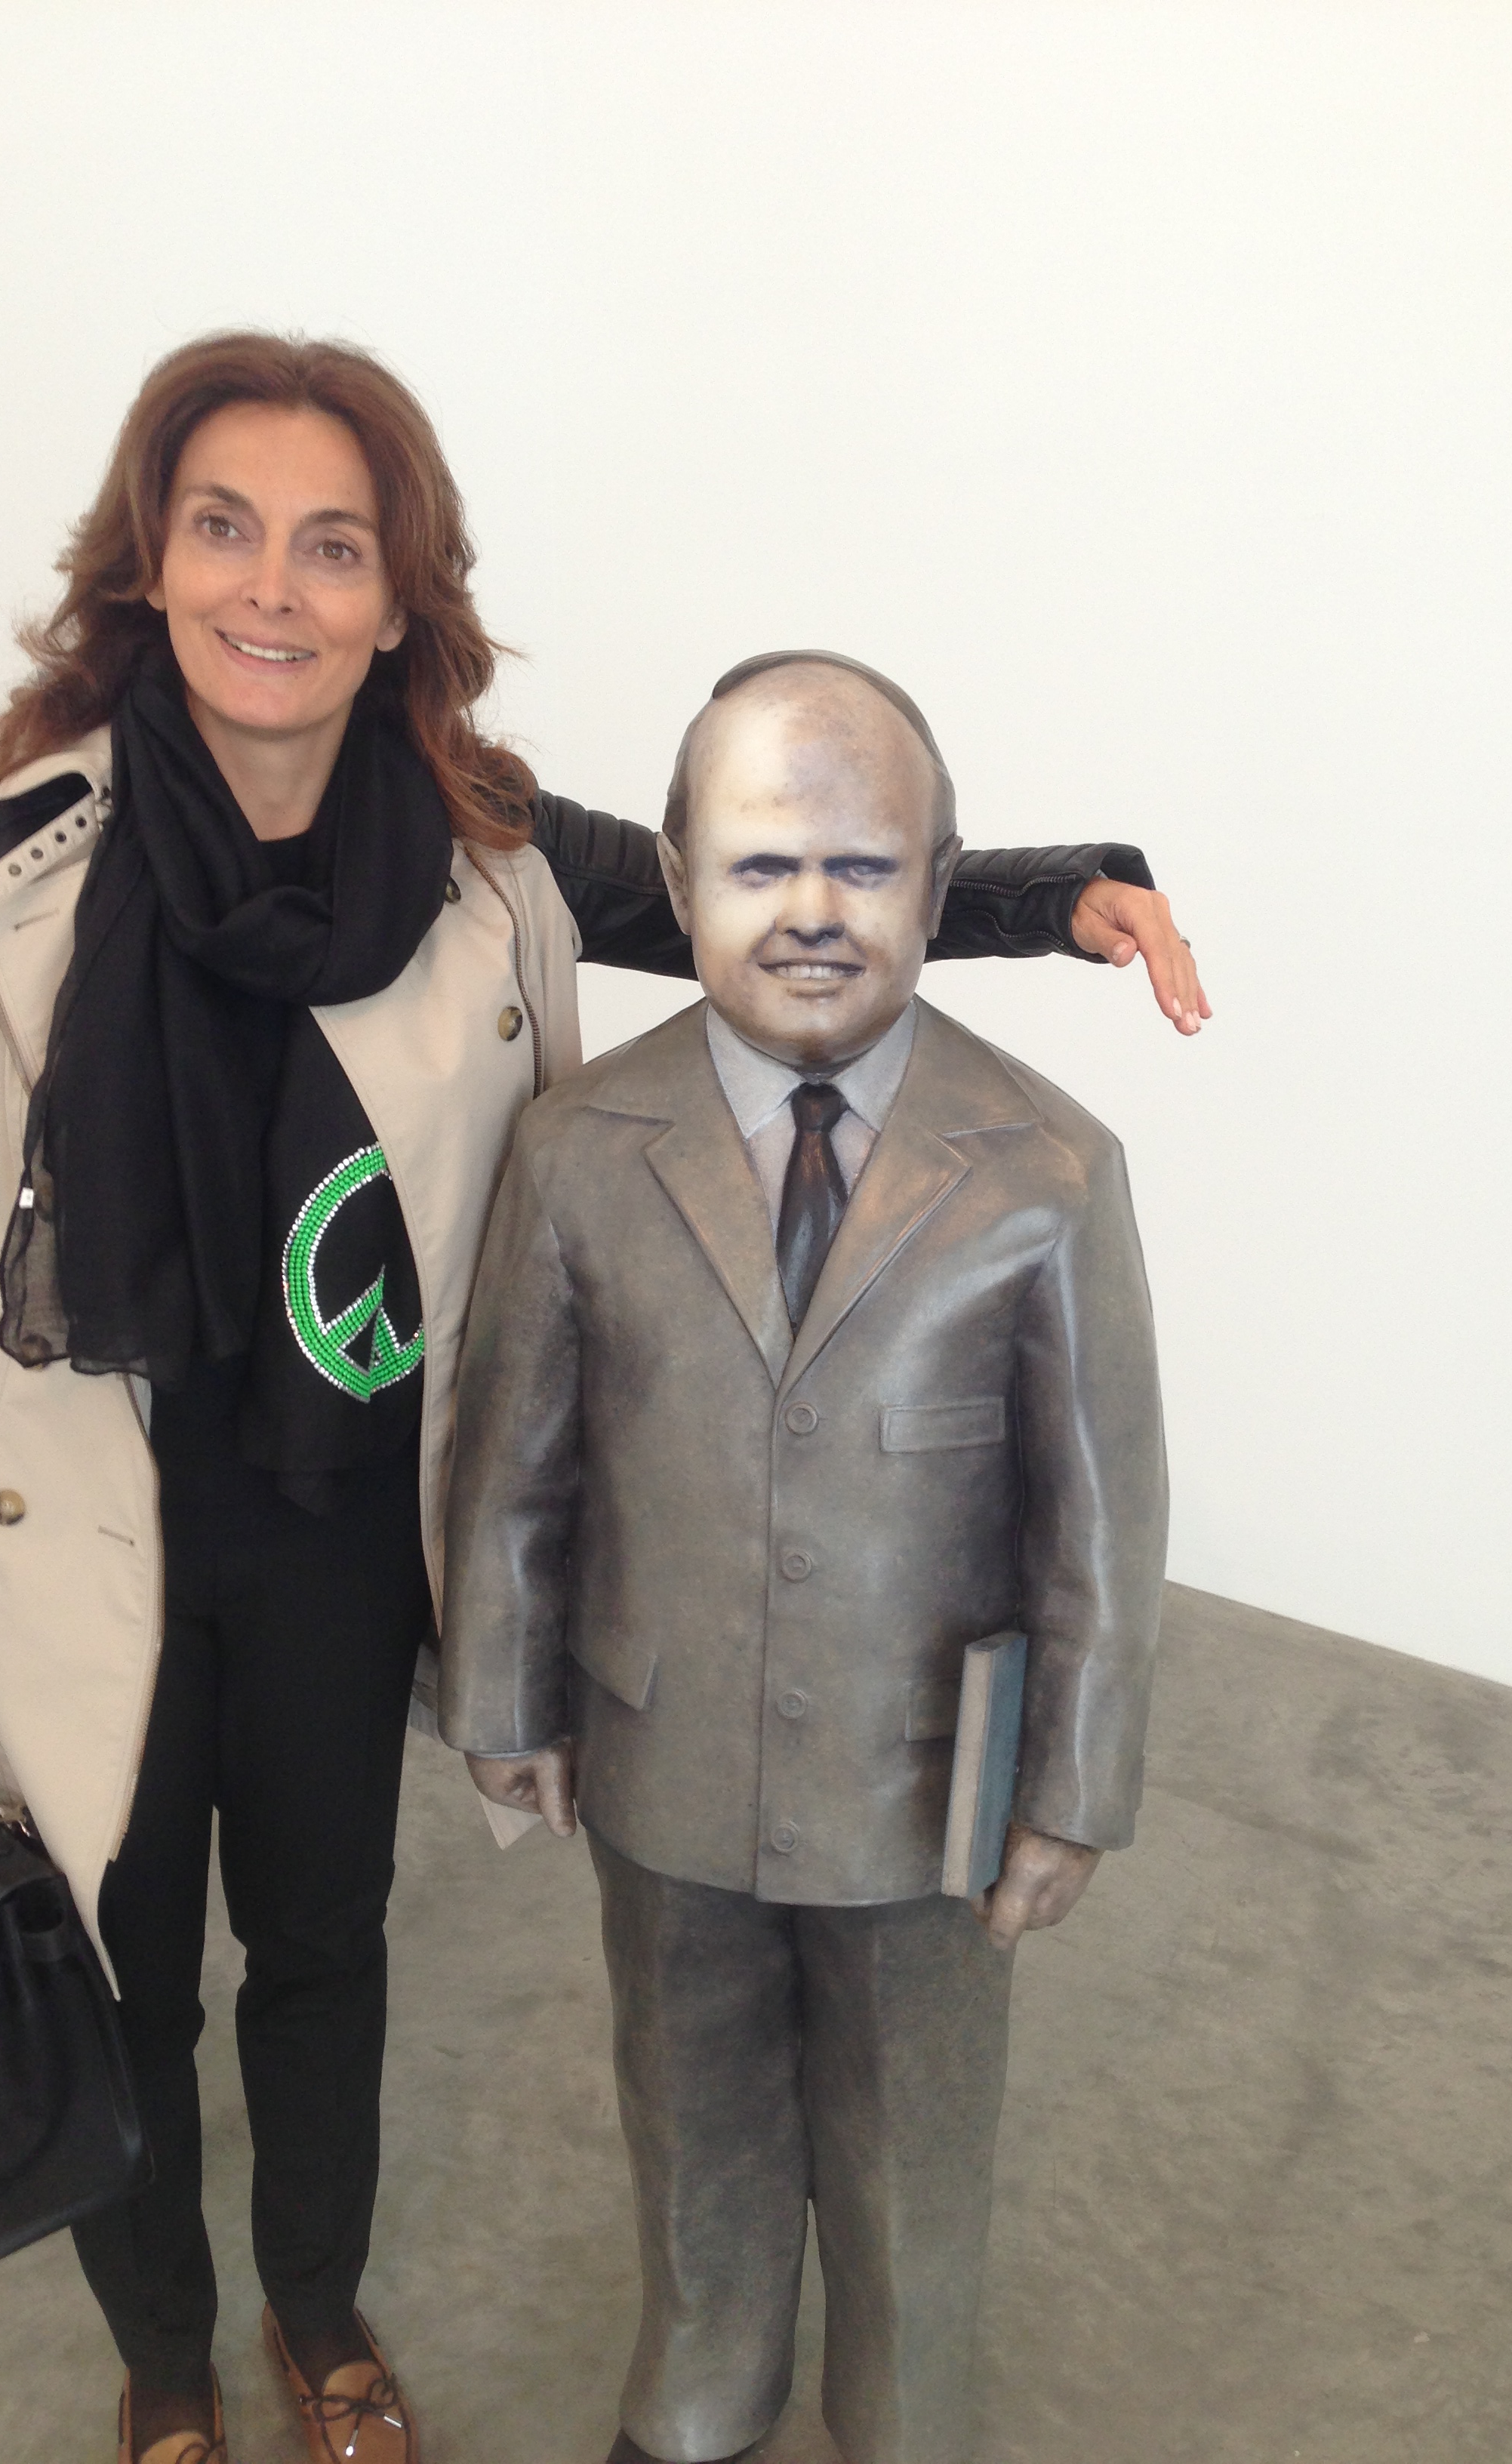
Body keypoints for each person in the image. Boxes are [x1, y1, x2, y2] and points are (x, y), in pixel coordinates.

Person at [0, 334, 1201, 2464]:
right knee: (128, 1967)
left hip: (335, 1521)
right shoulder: (0, 847)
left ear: (399, 596)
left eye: (333, 546)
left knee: (324, 1943)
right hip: (80, 1516)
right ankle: (161, 2362)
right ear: (151, 559)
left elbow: (769, 881)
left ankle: (320, 2317)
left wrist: (1060, 899)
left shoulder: (475, 842)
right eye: (224, 530)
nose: (273, 589)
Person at [441, 651, 1169, 2464]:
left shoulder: (1049, 1174)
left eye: (865, 866)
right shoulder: (580, 1149)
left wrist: (1074, 1788)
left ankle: (902, 2411)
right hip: (663, 1753)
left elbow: (1102, 1523)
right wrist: (502, 1695)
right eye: (761, 865)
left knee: (915, 2133)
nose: (815, 912)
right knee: (689, 2101)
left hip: (928, 1788)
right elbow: (514, 1456)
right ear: (675, 882)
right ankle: (705, 2378)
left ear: (940, 883)